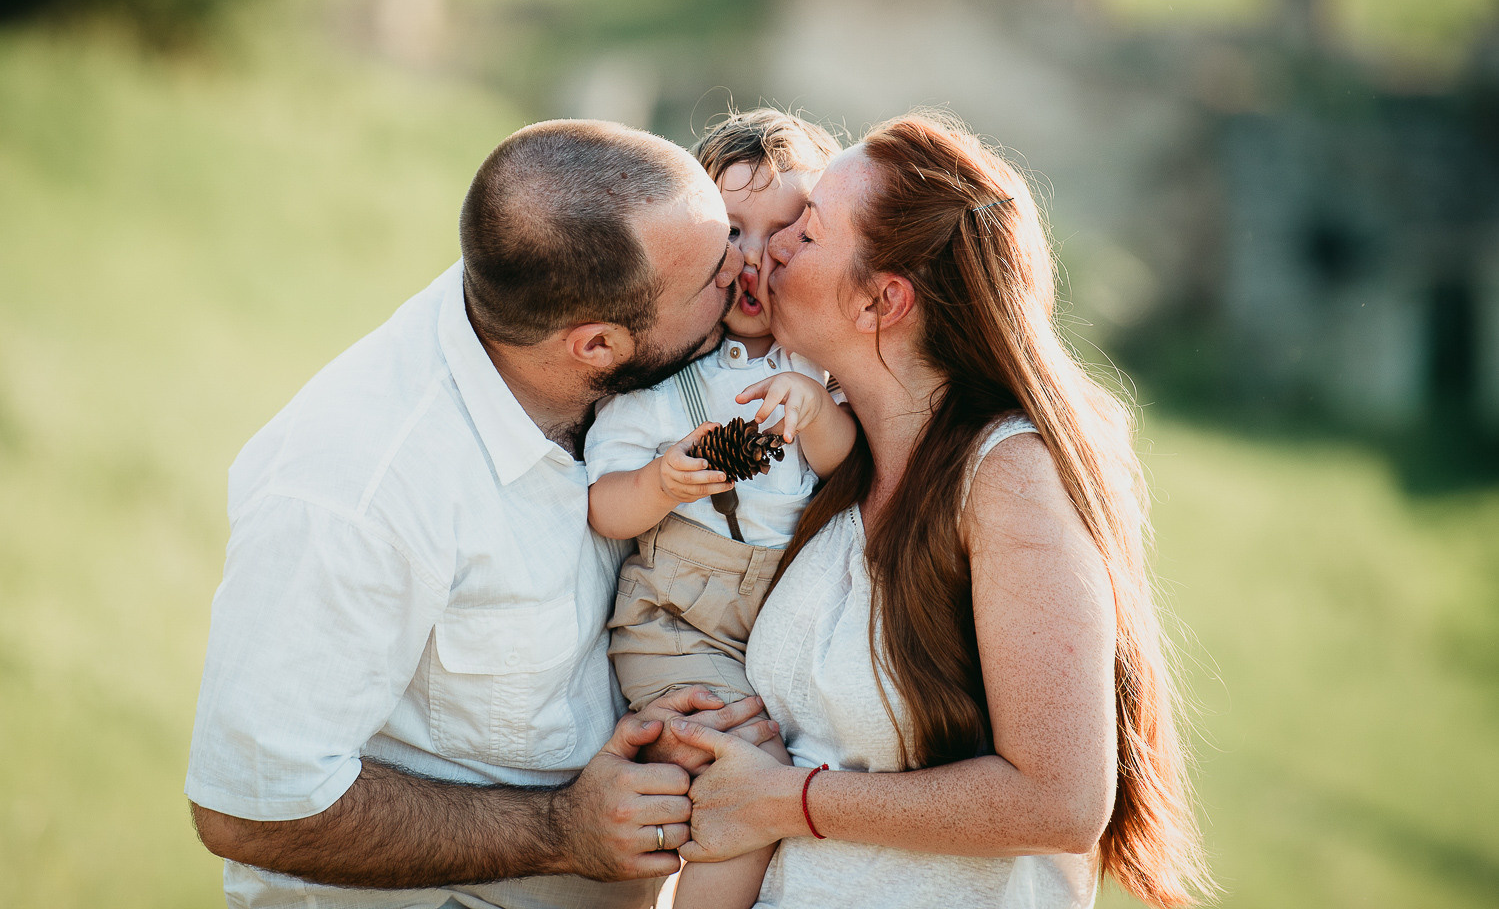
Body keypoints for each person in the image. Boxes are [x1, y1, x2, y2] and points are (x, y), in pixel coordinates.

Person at [183, 119, 780, 909]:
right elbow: (251, 808)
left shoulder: (577, 326)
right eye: (714, 271)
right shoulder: (356, 490)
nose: (746, 267)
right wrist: (559, 830)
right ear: (596, 346)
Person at [663, 112, 1214, 908]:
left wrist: (785, 799)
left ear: (881, 300)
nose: (772, 247)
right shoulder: (834, 465)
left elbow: (1058, 799)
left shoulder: (1006, 477)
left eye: (806, 233)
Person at [585, 109, 852, 909]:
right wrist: (664, 482)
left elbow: (850, 476)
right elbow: (605, 506)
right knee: (744, 775)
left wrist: (815, 408)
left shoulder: (820, 368)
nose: (754, 256)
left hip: (780, 617)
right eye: (730, 229)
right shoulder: (668, 380)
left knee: (780, 771)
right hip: (679, 617)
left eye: (786, 231)